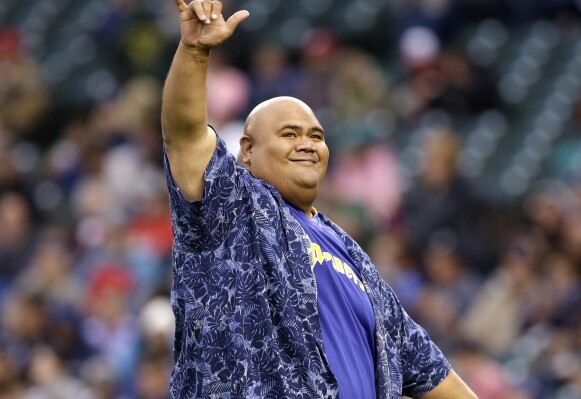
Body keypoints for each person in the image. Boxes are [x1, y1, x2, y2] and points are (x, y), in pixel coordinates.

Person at [161, 1, 479, 398]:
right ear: (246, 150)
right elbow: (184, 136)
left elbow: (429, 369)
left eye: (317, 136)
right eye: (289, 134)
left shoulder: (352, 254)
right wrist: (194, 51)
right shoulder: (231, 207)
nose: (308, 145)